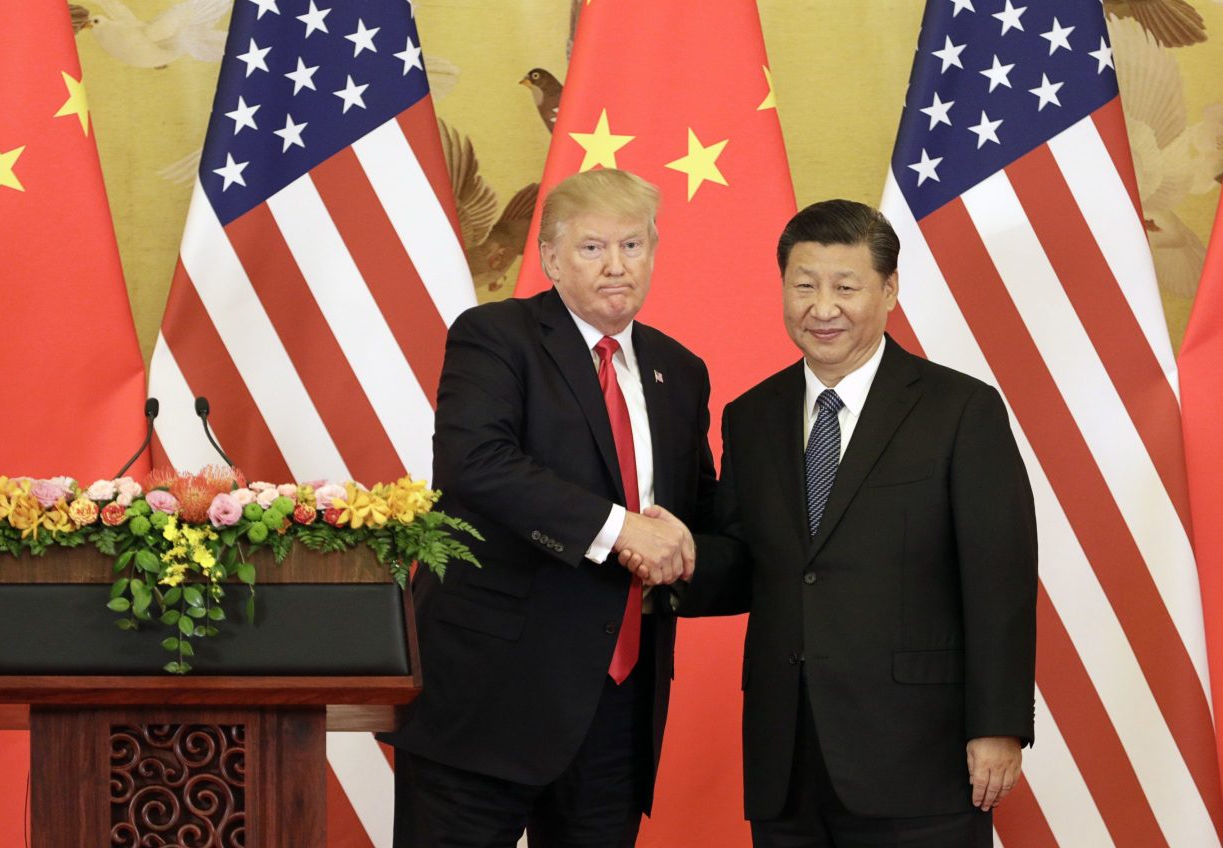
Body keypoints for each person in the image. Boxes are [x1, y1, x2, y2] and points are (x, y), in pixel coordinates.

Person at [635, 199, 1037, 847]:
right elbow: (746, 565)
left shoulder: (960, 410)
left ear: (889, 290)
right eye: (804, 285)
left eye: (846, 287)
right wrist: (672, 561)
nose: (823, 308)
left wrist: (999, 726)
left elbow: (1000, 581)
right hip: (786, 758)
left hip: (919, 758)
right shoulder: (751, 416)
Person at [382, 168, 714, 848]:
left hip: (616, 708)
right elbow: (475, 466)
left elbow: (693, 518)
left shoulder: (679, 371)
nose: (616, 265)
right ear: (552, 259)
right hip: (486, 702)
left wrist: (689, 547)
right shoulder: (495, 336)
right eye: (593, 248)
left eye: (632, 245)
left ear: (653, 252)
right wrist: (621, 529)